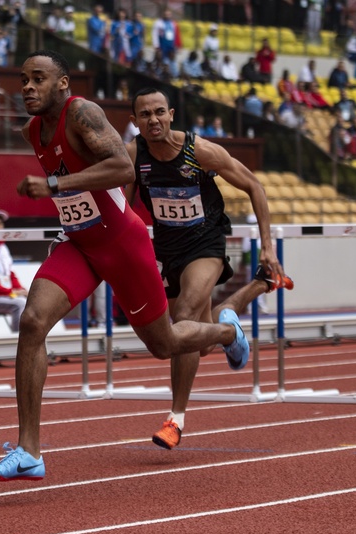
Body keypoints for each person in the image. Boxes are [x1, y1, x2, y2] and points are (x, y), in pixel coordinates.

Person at [0, 50, 250, 482]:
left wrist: (53, 185)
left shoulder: (82, 113)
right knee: (32, 321)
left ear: (62, 84)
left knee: (163, 345)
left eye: (38, 79)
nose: (27, 87)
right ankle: (29, 451)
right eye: (24, 80)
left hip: (123, 245)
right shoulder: (34, 130)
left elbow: (122, 166)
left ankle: (227, 331)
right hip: (81, 245)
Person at [126, 88, 293, 450]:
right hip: (168, 249)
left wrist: (266, 245)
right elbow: (122, 211)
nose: (153, 120)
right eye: (144, 115)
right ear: (135, 121)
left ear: (171, 114)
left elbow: (254, 185)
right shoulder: (133, 157)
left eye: (159, 112)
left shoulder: (198, 151)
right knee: (195, 342)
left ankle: (175, 419)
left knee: (184, 316)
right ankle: (232, 325)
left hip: (206, 243)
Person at [152, 8, 181, 76]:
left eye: (169, 14)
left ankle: (175, 75)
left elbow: (176, 35)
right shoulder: (158, 23)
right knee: (163, 62)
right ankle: (160, 75)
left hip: (171, 46)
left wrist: (178, 46)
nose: (167, 16)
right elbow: (155, 35)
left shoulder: (173, 23)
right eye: (166, 14)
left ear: (171, 15)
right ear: (163, 14)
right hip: (162, 46)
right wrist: (156, 46)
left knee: (172, 62)